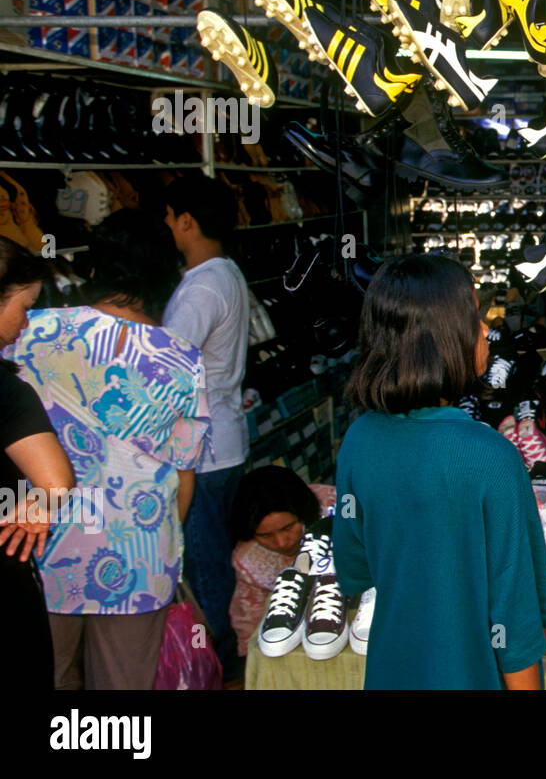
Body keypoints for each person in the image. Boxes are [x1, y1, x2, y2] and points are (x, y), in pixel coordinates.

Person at [332, 254, 546, 689]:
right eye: (474, 318)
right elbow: (513, 622)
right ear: (440, 338)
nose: (486, 331)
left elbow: (354, 566)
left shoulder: (357, 442)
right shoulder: (492, 458)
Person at [8, 212, 209, 689]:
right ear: (169, 274)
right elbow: (184, 473)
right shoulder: (181, 357)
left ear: (95, 268)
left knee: (43, 676)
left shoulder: (28, 331)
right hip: (137, 557)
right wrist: (164, 549)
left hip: (37, 545)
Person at [163, 175, 250, 680]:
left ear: (187, 221)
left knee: (206, 568)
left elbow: (167, 366)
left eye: (171, 219)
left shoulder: (202, 286)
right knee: (217, 564)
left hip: (203, 450)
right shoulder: (227, 274)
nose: (169, 228)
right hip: (225, 440)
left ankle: (215, 669)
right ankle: (227, 661)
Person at [0, 238, 75, 690]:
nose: (26, 322)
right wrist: (37, 506)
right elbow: (55, 481)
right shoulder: (7, 392)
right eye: (24, 306)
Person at [228, 466, 336, 659]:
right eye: (266, 535)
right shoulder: (249, 558)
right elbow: (248, 623)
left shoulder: (337, 506)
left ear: (303, 513)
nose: (281, 542)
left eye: (288, 527)